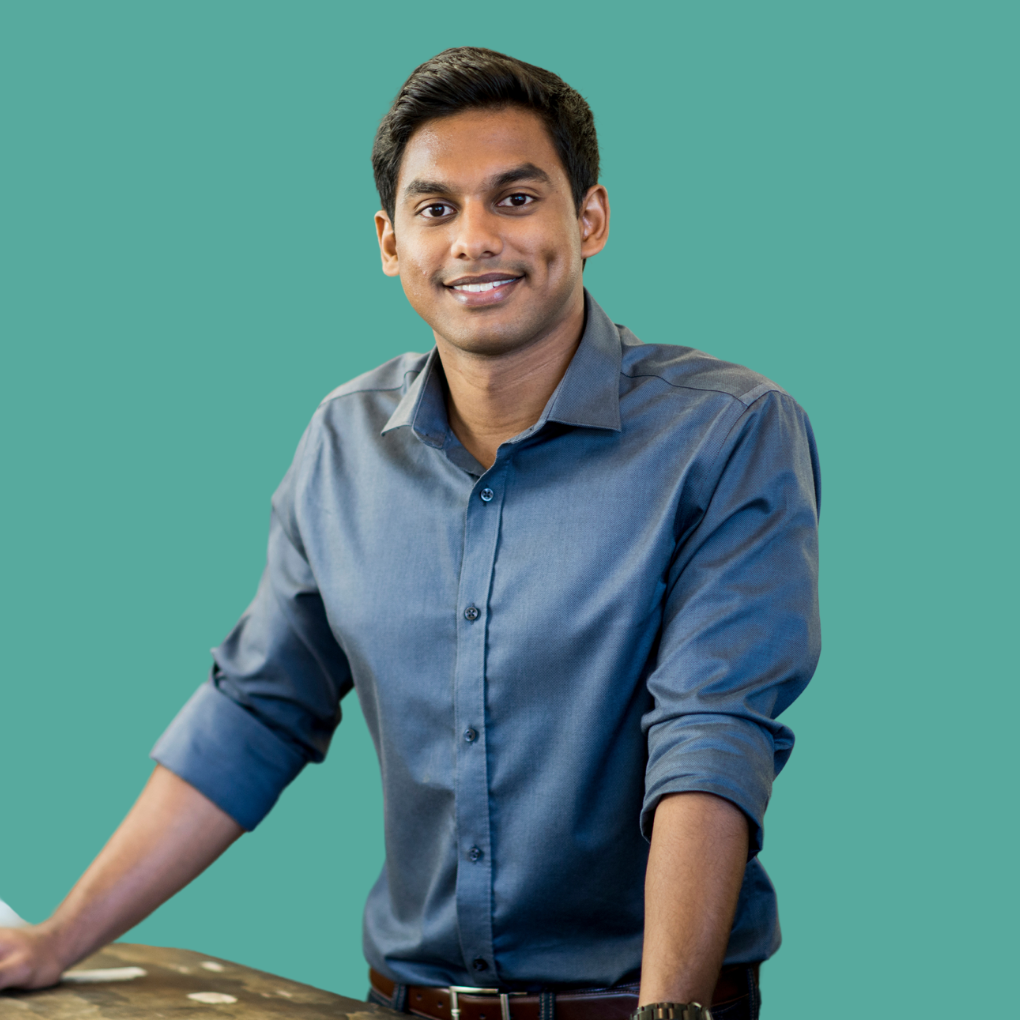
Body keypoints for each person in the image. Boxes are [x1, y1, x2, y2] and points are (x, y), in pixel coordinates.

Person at [0, 48, 820, 1020]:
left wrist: (666, 1009)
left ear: (588, 218)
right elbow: (257, 711)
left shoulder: (726, 433)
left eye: (516, 199)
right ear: (390, 242)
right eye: (436, 209)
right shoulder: (344, 442)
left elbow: (710, 735)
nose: (475, 239)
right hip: (404, 1004)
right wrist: (57, 939)